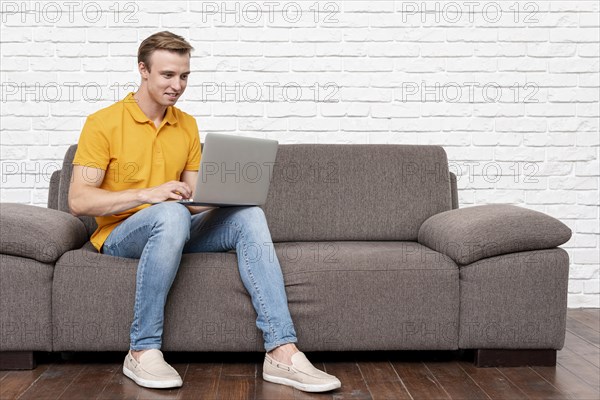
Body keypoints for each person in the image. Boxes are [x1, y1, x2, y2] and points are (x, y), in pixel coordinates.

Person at [68, 31, 341, 393]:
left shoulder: (187, 125)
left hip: (176, 225)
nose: (177, 85)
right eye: (168, 75)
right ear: (143, 70)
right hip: (120, 235)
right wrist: (150, 194)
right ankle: (142, 348)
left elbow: (192, 200)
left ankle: (281, 350)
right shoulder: (103, 123)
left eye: (184, 76)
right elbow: (79, 201)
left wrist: (224, 194)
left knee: (248, 214)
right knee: (169, 213)